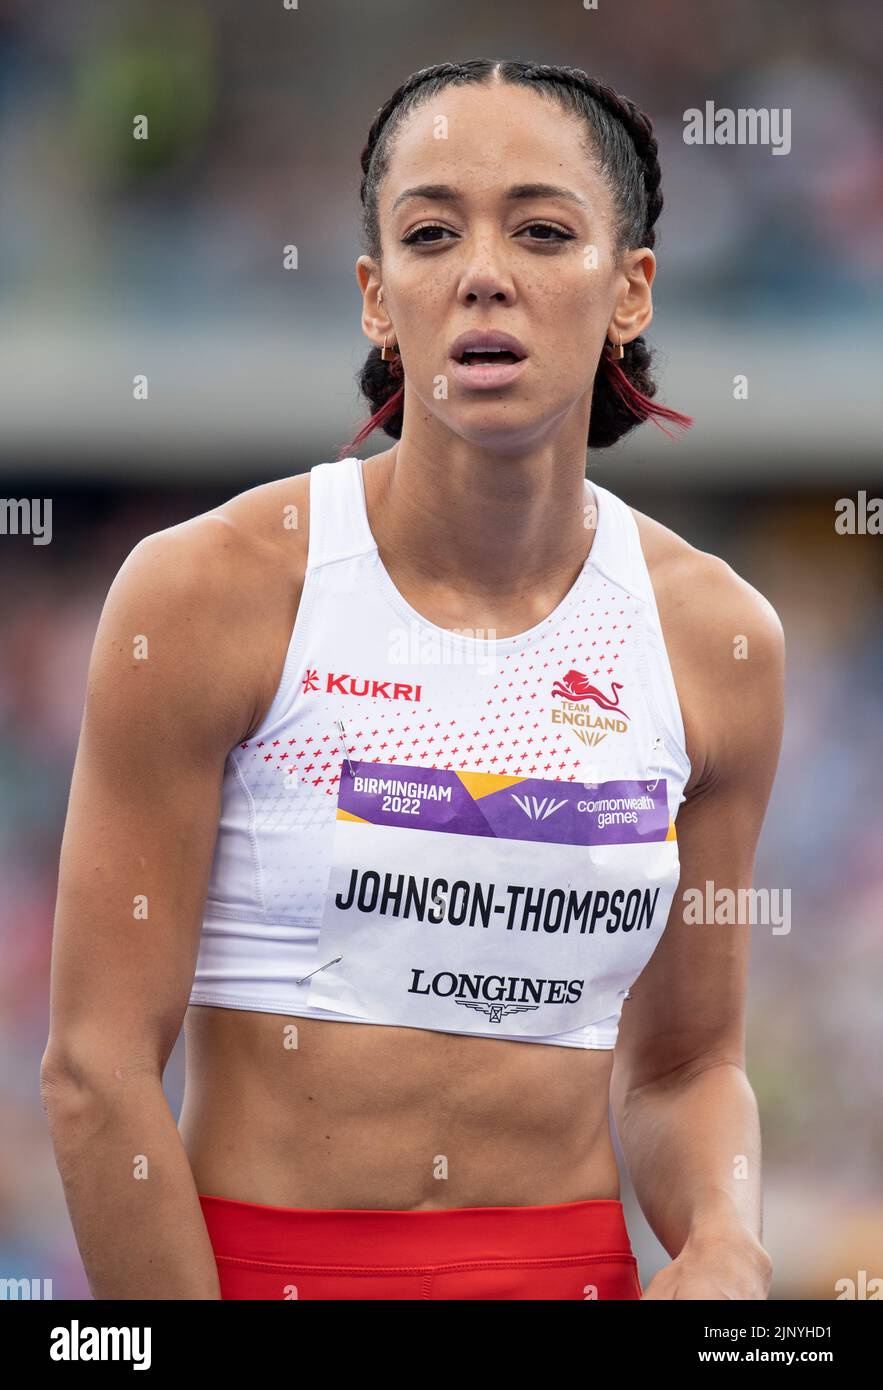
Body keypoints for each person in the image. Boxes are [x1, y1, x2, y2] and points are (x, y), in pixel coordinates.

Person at [41, 59, 783, 1300]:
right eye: (432, 233)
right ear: (379, 301)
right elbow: (94, 1068)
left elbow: (684, 1070)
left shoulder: (716, 639)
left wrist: (722, 1239)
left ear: (627, 290)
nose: (484, 271)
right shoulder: (205, 595)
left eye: (542, 231)